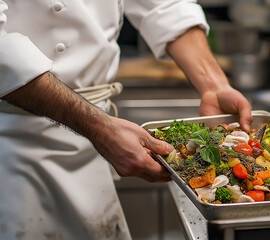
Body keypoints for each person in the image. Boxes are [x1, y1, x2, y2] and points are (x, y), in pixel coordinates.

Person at [0, 0, 253, 239]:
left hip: (92, 142)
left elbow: (165, 5)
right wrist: (99, 127)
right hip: (12, 143)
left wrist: (214, 85)